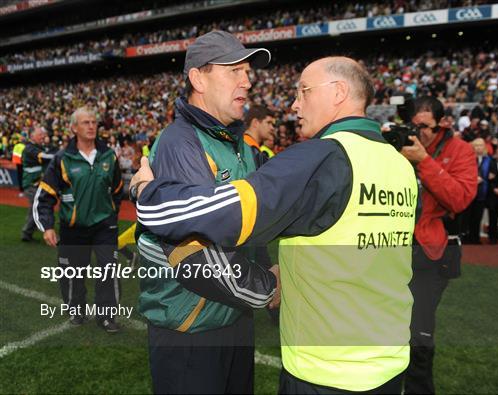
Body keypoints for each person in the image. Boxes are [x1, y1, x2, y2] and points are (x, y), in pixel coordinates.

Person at [130, 56, 418, 394]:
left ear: (339, 92)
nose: (295, 104)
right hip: (389, 362)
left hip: (326, 371)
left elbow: (225, 214)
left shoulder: (321, 159)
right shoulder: (400, 167)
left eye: (304, 91)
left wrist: (148, 192)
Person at [132, 30, 278, 394]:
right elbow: (197, 255)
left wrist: (262, 270)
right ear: (198, 78)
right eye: (234, 70)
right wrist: (268, 287)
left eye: (248, 71)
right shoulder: (180, 144)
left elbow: (252, 226)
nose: (247, 80)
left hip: (232, 318)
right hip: (191, 330)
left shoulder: (236, 143)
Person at [399, 96, 478, 394]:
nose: (420, 133)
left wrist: (424, 162)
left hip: (431, 253)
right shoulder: (399, 147)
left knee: (419, 329)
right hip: (393, 247)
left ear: (443, 123)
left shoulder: (460, 150)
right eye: (414, 126)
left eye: (426, 127)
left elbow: (459, 199)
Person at [33, 107, 124, 332]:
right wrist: (46, 227)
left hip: (105, 226)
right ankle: (77, 310)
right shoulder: (63, 159)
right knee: (72, 272)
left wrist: (110, 212)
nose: (92, 126)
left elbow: (118, 189)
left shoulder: (108, 155)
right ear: (74, 128)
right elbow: (44, 196)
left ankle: (107, 316)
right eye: (86, 122)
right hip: (73, 228)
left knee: (108, 268)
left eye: (94, 122)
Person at [21, 126, 55, 241]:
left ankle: (28, 233)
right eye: (40, 134)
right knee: (38, 208)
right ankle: (28, 233)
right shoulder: (30, 149)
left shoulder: (37, 147)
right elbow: (45, 157)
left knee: (37, 209)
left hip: (37, 184)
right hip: (32, 185)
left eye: (43, 134)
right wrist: (60, 155)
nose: (43, 136)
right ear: (32, 136)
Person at [463, 138, 492, 244]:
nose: (478, 147)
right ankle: (465, 237)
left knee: (477, 216)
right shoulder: (467, 158)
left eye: (481, 145)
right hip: (468, 192)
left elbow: (492, 172)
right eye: (476, 145)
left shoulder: (488, 160)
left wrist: (488, 177)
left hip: (482, 192)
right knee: (467, 216)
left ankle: (475, 237)